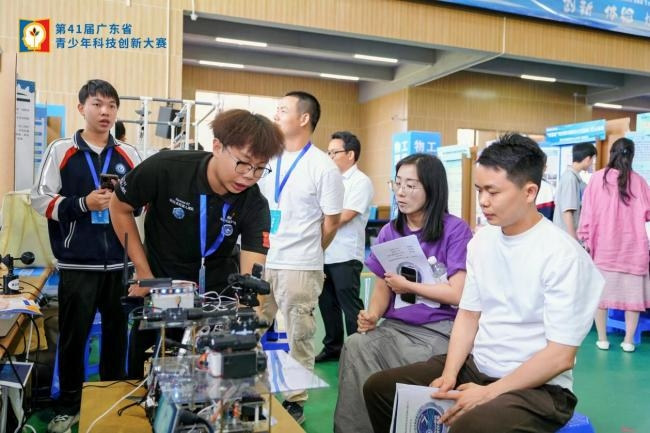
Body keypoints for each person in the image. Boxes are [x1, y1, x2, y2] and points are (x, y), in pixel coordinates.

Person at [363, 134, 604, 433]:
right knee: (380, 389)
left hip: (541, 388)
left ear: (529, 192)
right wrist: (450, 374)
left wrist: (488, 393)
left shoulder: (564, 256)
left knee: (471, 425)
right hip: (478, 367)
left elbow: (560, 357)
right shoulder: (483, 241)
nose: (483, 201)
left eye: (493, 191)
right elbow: (468, 315)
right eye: (479, 190)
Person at [110, 109, 284, 376]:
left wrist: (242, 328)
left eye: (260, 168)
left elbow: (252, 278)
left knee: (211, 379)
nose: (250, 175)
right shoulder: (167, 168)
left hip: (217, 297)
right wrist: (144, 272)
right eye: (243, 163)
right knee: (147, 375)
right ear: (217, 146)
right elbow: (119, 206)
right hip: (163, 289)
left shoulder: (254, 203)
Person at [31, 79, 142, 433]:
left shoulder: (129, 154)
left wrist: (126, 202)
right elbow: (40, 200)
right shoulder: (61, 150)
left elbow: (141, 203)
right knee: (73, 338)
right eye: (97, 104)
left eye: (111, 105)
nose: (105, 112)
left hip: (120, 266)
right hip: (78, 263)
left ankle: (111, 402)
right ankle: (69, 406)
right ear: (81, 108)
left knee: (116, 338)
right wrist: (83, 204)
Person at [334, 153, 472, 433]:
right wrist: (372, 315)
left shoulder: (455, 230)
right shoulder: (390, 231)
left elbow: (458, 294)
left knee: (401, 367)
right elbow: (382, 286)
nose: (400, 192)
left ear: (432, 189)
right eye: (397, 183)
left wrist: (409, 287)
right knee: (357, 345)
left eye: (411, 185)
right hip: (395, 327)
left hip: (439, 331)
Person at [257, 91, 344, 424]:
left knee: (298, 334)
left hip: (300, 265)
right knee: (254, 326)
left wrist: (311, 252)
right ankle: (255, 388)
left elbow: (331, 221)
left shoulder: (322, 166)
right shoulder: (267, 158)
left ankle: (294, 398)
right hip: (263, 259)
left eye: (283, 110)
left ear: (304, 118)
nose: (276, 115)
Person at [578, 137, 650, 352]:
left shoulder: (597, 179)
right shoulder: (640, 182)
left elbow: (587, 212)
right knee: (633, 298)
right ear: (632, 156)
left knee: (600, 297)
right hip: (633, 251)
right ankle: (628, 341)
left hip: (604, 249)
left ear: (611, 153)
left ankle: (602, 338)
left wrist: (585, 237)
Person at [316, 131, 374, 363]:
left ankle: (357, 350)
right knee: (326, 304)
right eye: (328, 152)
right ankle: (333, 347)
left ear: (350, 154)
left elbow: (345, 216)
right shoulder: (328, 180)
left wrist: (318, 222)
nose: (329, 157)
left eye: (334, 152)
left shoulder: (360, 181)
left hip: (346, 255)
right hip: (324, 252)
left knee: (350, 306)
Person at [553, 142, 596, 239]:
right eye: (593, 159)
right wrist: (574, 240)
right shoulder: (570, 178)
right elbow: (567, 212)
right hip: (566, 238)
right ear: (588, 159)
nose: (592, 163)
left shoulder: (573, 177)